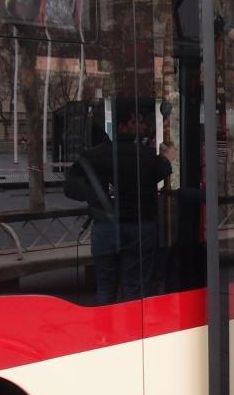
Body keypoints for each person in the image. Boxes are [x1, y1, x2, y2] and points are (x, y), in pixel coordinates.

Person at [64, 100, 172, 303]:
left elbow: (70, 188)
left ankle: (106, 333)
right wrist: (167, 157)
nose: (142, 126)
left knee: (105, 288)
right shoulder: (147, 156)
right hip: (140, 228)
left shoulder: (92, 156)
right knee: (135, 289)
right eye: (136, 122)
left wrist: (96, 196)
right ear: (122, 126)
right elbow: (164, 170)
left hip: (105, 227)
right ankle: (133, 330)